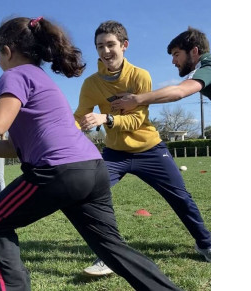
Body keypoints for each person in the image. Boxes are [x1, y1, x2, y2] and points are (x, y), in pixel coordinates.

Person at [0, 16, 181, 291]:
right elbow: (13, 148)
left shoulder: (14, 75)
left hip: (59, 172)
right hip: (92, 168)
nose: (0, 61)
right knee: (112, 248)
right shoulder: (41, 80)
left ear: (7, 51)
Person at [74, 20, 211, 277]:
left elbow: (137, 120)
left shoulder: (140, 76)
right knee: (92, 196)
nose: (105, 51)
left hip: (150, 150)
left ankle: (206, 243)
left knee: (181, 197)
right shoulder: (91, 84)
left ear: (124, 46)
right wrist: (68, 130)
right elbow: (79, 115)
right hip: (115, 154)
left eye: (111, 45)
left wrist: (107, 118)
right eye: (100, 46)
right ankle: (109, 255)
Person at [111, 26, 210, 112]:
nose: (173, 61)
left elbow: (179, 91)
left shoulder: (207, 65)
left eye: (176, 54)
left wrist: (136, 100)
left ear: (194, 51)